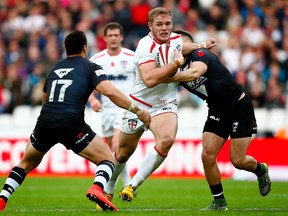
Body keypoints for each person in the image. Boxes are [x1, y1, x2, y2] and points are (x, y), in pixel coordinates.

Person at [0, 30, 151, 212]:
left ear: (66, 49)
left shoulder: (55, 68)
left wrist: (49, 120)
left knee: (25, 163)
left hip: (45, 120)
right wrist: (137, 110)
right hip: (71, 122)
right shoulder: (90, 66)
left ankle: (3, 197)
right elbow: (110, 92)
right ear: (85, 48)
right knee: (108, 160)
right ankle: (97, 187)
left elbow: (45, 98)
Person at [99, 7, 216, 203]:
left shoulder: (175, 39)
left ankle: (131, 185)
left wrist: (202, 44)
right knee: (123, 152)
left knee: (167, 140)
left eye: (168, 24)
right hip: (140, 105)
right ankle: (109, 188)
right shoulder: (144, 47)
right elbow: (150, 79)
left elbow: (182, 46)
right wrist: (177, 64)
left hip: (165, 104)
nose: (164, 28)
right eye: (159, 24)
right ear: (150, 26)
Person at [168, 29, 271, 210]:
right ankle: (219, 202)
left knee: (238, 161)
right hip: (216, 110)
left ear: (189, 44)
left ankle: (260, 170)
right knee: (207, 155)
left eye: (179, 43)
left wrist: (169, 77)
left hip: (239, 107)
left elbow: (194, 73)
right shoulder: (175, 66)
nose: (175, 47)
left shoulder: (200, 54)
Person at [88, 22, 135, 189]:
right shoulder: (96, 60)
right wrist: (92, 99)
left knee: (117, 144)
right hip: (106, 109)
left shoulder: (132, 57)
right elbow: (88, 84)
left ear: (121, 37)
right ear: (105, 38)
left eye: (116, 35)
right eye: (110, 35)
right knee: (113, 150)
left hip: (126, 108)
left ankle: (113, 186)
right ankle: (127, 181)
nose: (114, 38)